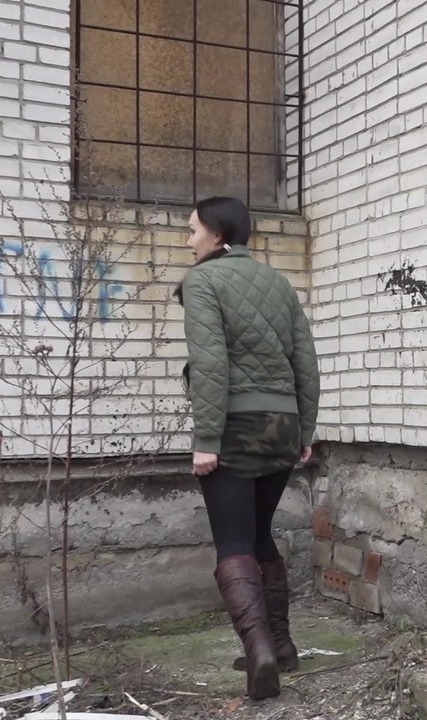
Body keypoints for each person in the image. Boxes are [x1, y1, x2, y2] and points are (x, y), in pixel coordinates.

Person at [174, 196, 320, 701]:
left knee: (233, 541)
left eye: (192, 231)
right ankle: (281, 646)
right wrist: (304, 433)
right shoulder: (277, 283)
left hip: (234, 425)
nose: (188, 241)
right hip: (282, 425)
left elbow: (210, 365)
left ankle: (258, 652)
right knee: (260, 536)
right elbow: (306, 363)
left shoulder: (203, 282)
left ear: (217, 234)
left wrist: (205, 440)